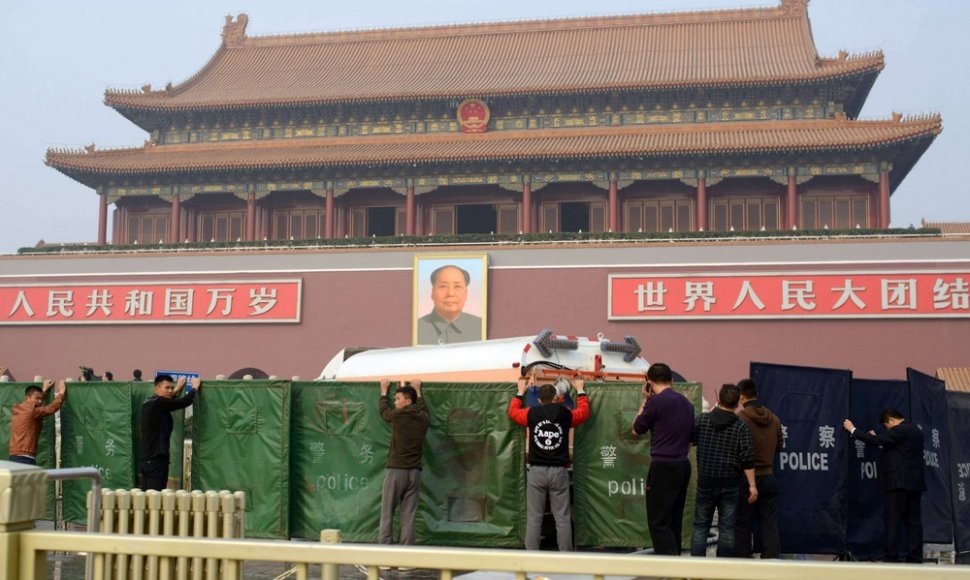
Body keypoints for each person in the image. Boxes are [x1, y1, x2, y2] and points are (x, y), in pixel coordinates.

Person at [508, 374, 590, 550]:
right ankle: (566, 558)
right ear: (557, 398)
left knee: (534, 517)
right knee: (562, 517)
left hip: (536, 472)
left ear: (538, 399)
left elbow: (513, 413)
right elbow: (583, 413)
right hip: (559, 472)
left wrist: (520, 392)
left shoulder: (532, 413)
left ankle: (532, 558)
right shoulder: (565, 414)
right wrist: (581, 391)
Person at [843, 408, 926, 563]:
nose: (888, 430)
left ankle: (890, 557)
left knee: (893, 521)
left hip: (898, 483)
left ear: (891, 420)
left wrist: (853, 430)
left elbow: (877, 441)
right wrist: (880, 438)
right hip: (914, 484)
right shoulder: (915, 430)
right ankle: (915, 557)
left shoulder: (900, 430)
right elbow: (895, 447)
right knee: (913, 523)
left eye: (887, 427)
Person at [631, 362, 695, 556]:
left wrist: (645, 401)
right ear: (672, 380)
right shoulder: (687, 404)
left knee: (658, 522)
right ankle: (676, 567)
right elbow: (691, 440)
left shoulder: (654, 402)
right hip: (683, 465)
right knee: (674, 519)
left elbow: (636, 429)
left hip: (663, 466)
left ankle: (668, 568)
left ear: (648, 382)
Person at [690, 384, 757, 557]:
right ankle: (723, 568)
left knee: (700, 526)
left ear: (718, 399)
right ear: (737, 404)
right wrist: (752, 486)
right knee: (727, 528)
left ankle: (695, 569)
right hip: (730, 484)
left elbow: (690, 441)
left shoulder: (703, 420)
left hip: (705, 481)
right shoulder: (741, 427)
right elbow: (747, 459)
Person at [734, 378, 783, 558]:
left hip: (746, 479)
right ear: (757, 394)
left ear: (741, 397)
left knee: (742, 524)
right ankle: (770, 564)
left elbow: (735, 449)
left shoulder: (739, 419)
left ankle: (744, 564)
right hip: (769, 477)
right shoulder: (775, 419)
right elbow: (779, 446)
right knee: (769, 523)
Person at [378, 378, 430, 545]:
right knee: (408, 516)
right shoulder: (423, 418)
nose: (395, 402)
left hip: (396, 471)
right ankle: (406, 557)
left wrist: (384, 391)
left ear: (408, 401)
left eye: (398, 399)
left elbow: (384, 412)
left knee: (387, 513)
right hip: (414, 473)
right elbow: (423, 409)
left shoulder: (398, 415)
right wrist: (418, 391)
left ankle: (385, 555)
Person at [140, 374, 200, 490]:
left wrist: (177, 388)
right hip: (156, 460)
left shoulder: (148, 402)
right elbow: (184, 402)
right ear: (157, 388)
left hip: (146, 460)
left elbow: (168, 401)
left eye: (171, 388)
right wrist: (194, 387)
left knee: (144, 500)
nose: (170, 390)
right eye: (166, 388)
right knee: (155, 500)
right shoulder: (160, 403)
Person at [415, 264, 483, 345]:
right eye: (443, 286)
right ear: (432, 292)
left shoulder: (481, 326)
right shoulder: (415, 328)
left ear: (466, 293)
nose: (450, 293)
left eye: (457, 286)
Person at [8, 380, 66, 464]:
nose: (40, 401)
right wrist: (61, 392)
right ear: (27, 398)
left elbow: (34, 402)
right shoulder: (32, 411)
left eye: (41, 399)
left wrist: (44, 389)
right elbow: (51, 408)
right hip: (25, 457)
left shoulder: (19, 408)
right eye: (37, 398)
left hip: (14, 455)